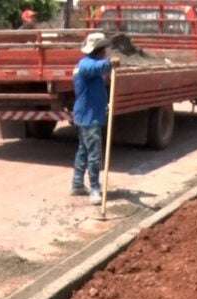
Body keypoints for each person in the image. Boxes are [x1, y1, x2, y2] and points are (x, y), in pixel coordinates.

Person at [71, 32, 120, 205]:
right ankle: (94, 189)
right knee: (93, 153)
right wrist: (108, 63)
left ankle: (77, 183)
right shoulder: (86, 65)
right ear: (98, 50)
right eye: (104, 50)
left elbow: (98, 71)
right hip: (88, 116)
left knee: (84, 150)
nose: (106, 52)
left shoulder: (89, 64)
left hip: (88, 114)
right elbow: (95, 68)